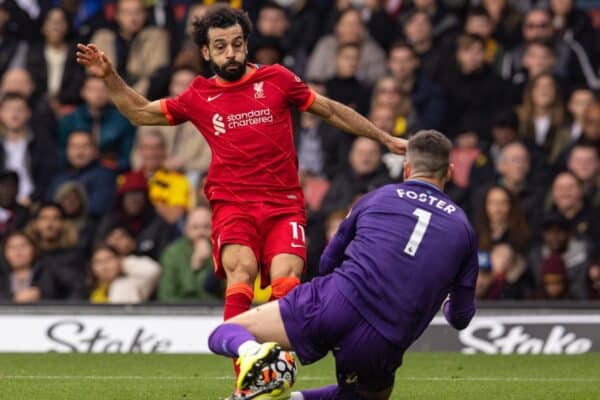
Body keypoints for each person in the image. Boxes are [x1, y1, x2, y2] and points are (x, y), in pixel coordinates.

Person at [76, 3, 405, 336]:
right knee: (241, 272)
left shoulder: (277, 79)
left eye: (237, 44)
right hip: (233, 204)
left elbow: (331, 111)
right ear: (206, 51)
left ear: (246, 45)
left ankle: (280, 369)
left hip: (283, 203)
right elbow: (141, 113)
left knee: (286, 279)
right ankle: (245, 377)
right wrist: (109, 76)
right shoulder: (199, 96)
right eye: (220, 46)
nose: (230, 53)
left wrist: (383, 137)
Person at [208, 130, 477, 399]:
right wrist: (445, 300)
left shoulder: (376, 197)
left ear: (407, 169)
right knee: (363, 395)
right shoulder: (463, 229)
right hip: (384, 336)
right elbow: (460, 318)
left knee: (229, 330)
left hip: (338, 299)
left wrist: (327, 304)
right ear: (450, 172)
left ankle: (252, 353)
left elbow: (328, 260)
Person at [158, 205, 223, 302]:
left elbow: (221, 295)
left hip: (215, 313)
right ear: (186, 230)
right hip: (179, 313)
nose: (201, 232)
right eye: (195, 227)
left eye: (207, 227)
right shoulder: (172, 253)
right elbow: (165, 295)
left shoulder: (222, 252)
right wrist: (194, 268)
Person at [88, 244, 160, 304]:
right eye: (98, 261)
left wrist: (124, 262)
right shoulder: (88, 289)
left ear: (119, 260)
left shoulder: (132, 283)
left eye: (109, 259)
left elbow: (152, 270)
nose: (104, 266)